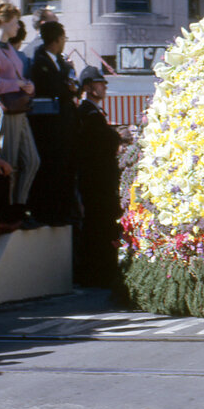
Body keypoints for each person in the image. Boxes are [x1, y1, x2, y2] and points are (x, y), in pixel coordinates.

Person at [0, 0, 39, 228]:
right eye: (14, 21)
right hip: (2, 111)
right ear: (3, 21)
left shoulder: (8, 48)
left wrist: (26, 85)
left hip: (17, 110)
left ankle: (18, 207)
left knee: (31, 160)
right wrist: (18, 84)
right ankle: (9, 212)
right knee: (9, 164)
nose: (17, 26)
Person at [74, 66, 122, 288]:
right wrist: (118, 136)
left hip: (99, 180)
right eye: (99, 83)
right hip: (96, 181)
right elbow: (103, 141)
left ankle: (101, 272)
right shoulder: (88, 113)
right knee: (98, 227)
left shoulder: (92, 113)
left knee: (101, 226)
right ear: (88, 87)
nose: (103, 87)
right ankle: (98, 274)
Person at [28, 20, 78, 225]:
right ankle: (48, 213)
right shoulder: (40, 62)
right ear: (57, 40)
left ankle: (64, 212)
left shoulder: (61, 62)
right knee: (50, 170)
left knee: (64, 170)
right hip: (49, 127)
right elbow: (53, 88)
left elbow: (72, 85)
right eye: (63, 39)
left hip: (64, 125)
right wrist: (68, 89)